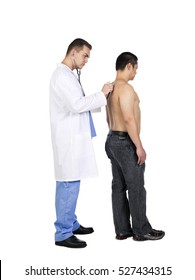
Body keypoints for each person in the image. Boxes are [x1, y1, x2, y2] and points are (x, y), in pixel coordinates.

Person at [49, 38, 113, 248]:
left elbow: (79, 102)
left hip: (72, 139)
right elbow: (77, 105)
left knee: (72, 183)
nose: (86, 60)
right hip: (68, 141)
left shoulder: (68, 76)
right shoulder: (61, 76)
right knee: (69, 184)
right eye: (85, 55)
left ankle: (71, 223)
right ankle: (63, 233)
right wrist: (102, 94)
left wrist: (101, 98)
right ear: (73, 52)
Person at [105, 52, 165, 241]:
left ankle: (122, 230)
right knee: (136, 187)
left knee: (118, 186)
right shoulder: (126, 89)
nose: (136, 73)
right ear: (129, 65)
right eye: (136, 68)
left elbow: (108, 117)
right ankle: (141, 230)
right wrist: (138, 146)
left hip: (112, 139)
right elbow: (129, 118)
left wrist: (115, 137)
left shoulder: (109, 88)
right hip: (125, 142)